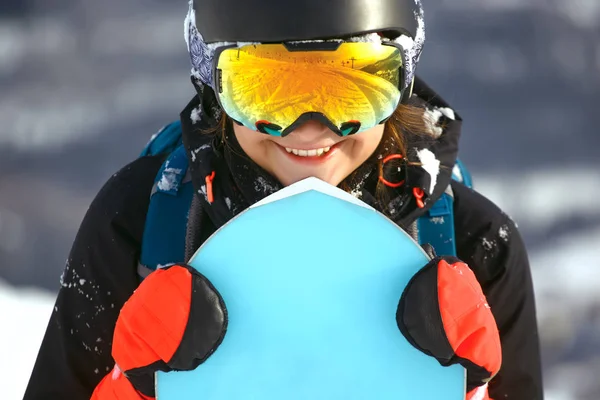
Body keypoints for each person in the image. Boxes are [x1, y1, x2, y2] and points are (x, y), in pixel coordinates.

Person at [24, 0, 543, 399]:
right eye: (268, 90)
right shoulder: (137, 221)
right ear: (213, 87)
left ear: (401, 84)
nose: (310, 128)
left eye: (351, 88)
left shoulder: (478, 248)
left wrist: (469, 389)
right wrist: (131, 387)